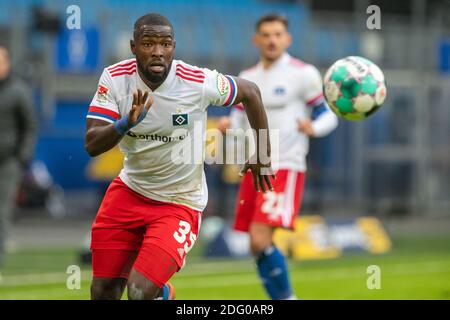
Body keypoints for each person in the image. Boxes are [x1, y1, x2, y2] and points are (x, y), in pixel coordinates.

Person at [85, 13, 274, 300]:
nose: (158, 51)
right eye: (148, 43)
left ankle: (161, 293)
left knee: (138, 292)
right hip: (130, 191)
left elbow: (251, 91)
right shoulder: (115, 78)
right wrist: (126, 123)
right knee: (103, 292)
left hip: (178, 202)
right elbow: (92, 143)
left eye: (166, 44)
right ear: (133, 46)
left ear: (174, 46)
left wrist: (262, 154)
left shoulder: (196, 81)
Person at [219, 14, 338, 300]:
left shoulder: (303, 73)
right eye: (266, 34)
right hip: (253, 166)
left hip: (285, 164)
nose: (272, 40)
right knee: (254, 244)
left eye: (277, 34)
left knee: (260, 239)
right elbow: (237, 120)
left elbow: (327, 113)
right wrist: (228, 127)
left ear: (287, 39)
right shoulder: (247, 77)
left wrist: (314, 127)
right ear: (256, 40)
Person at [0, 46, 37, 279]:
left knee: (1, 211)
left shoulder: (18, 91)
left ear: (8, 62)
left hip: (7, 162)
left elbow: (30, 126)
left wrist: (21, 157)